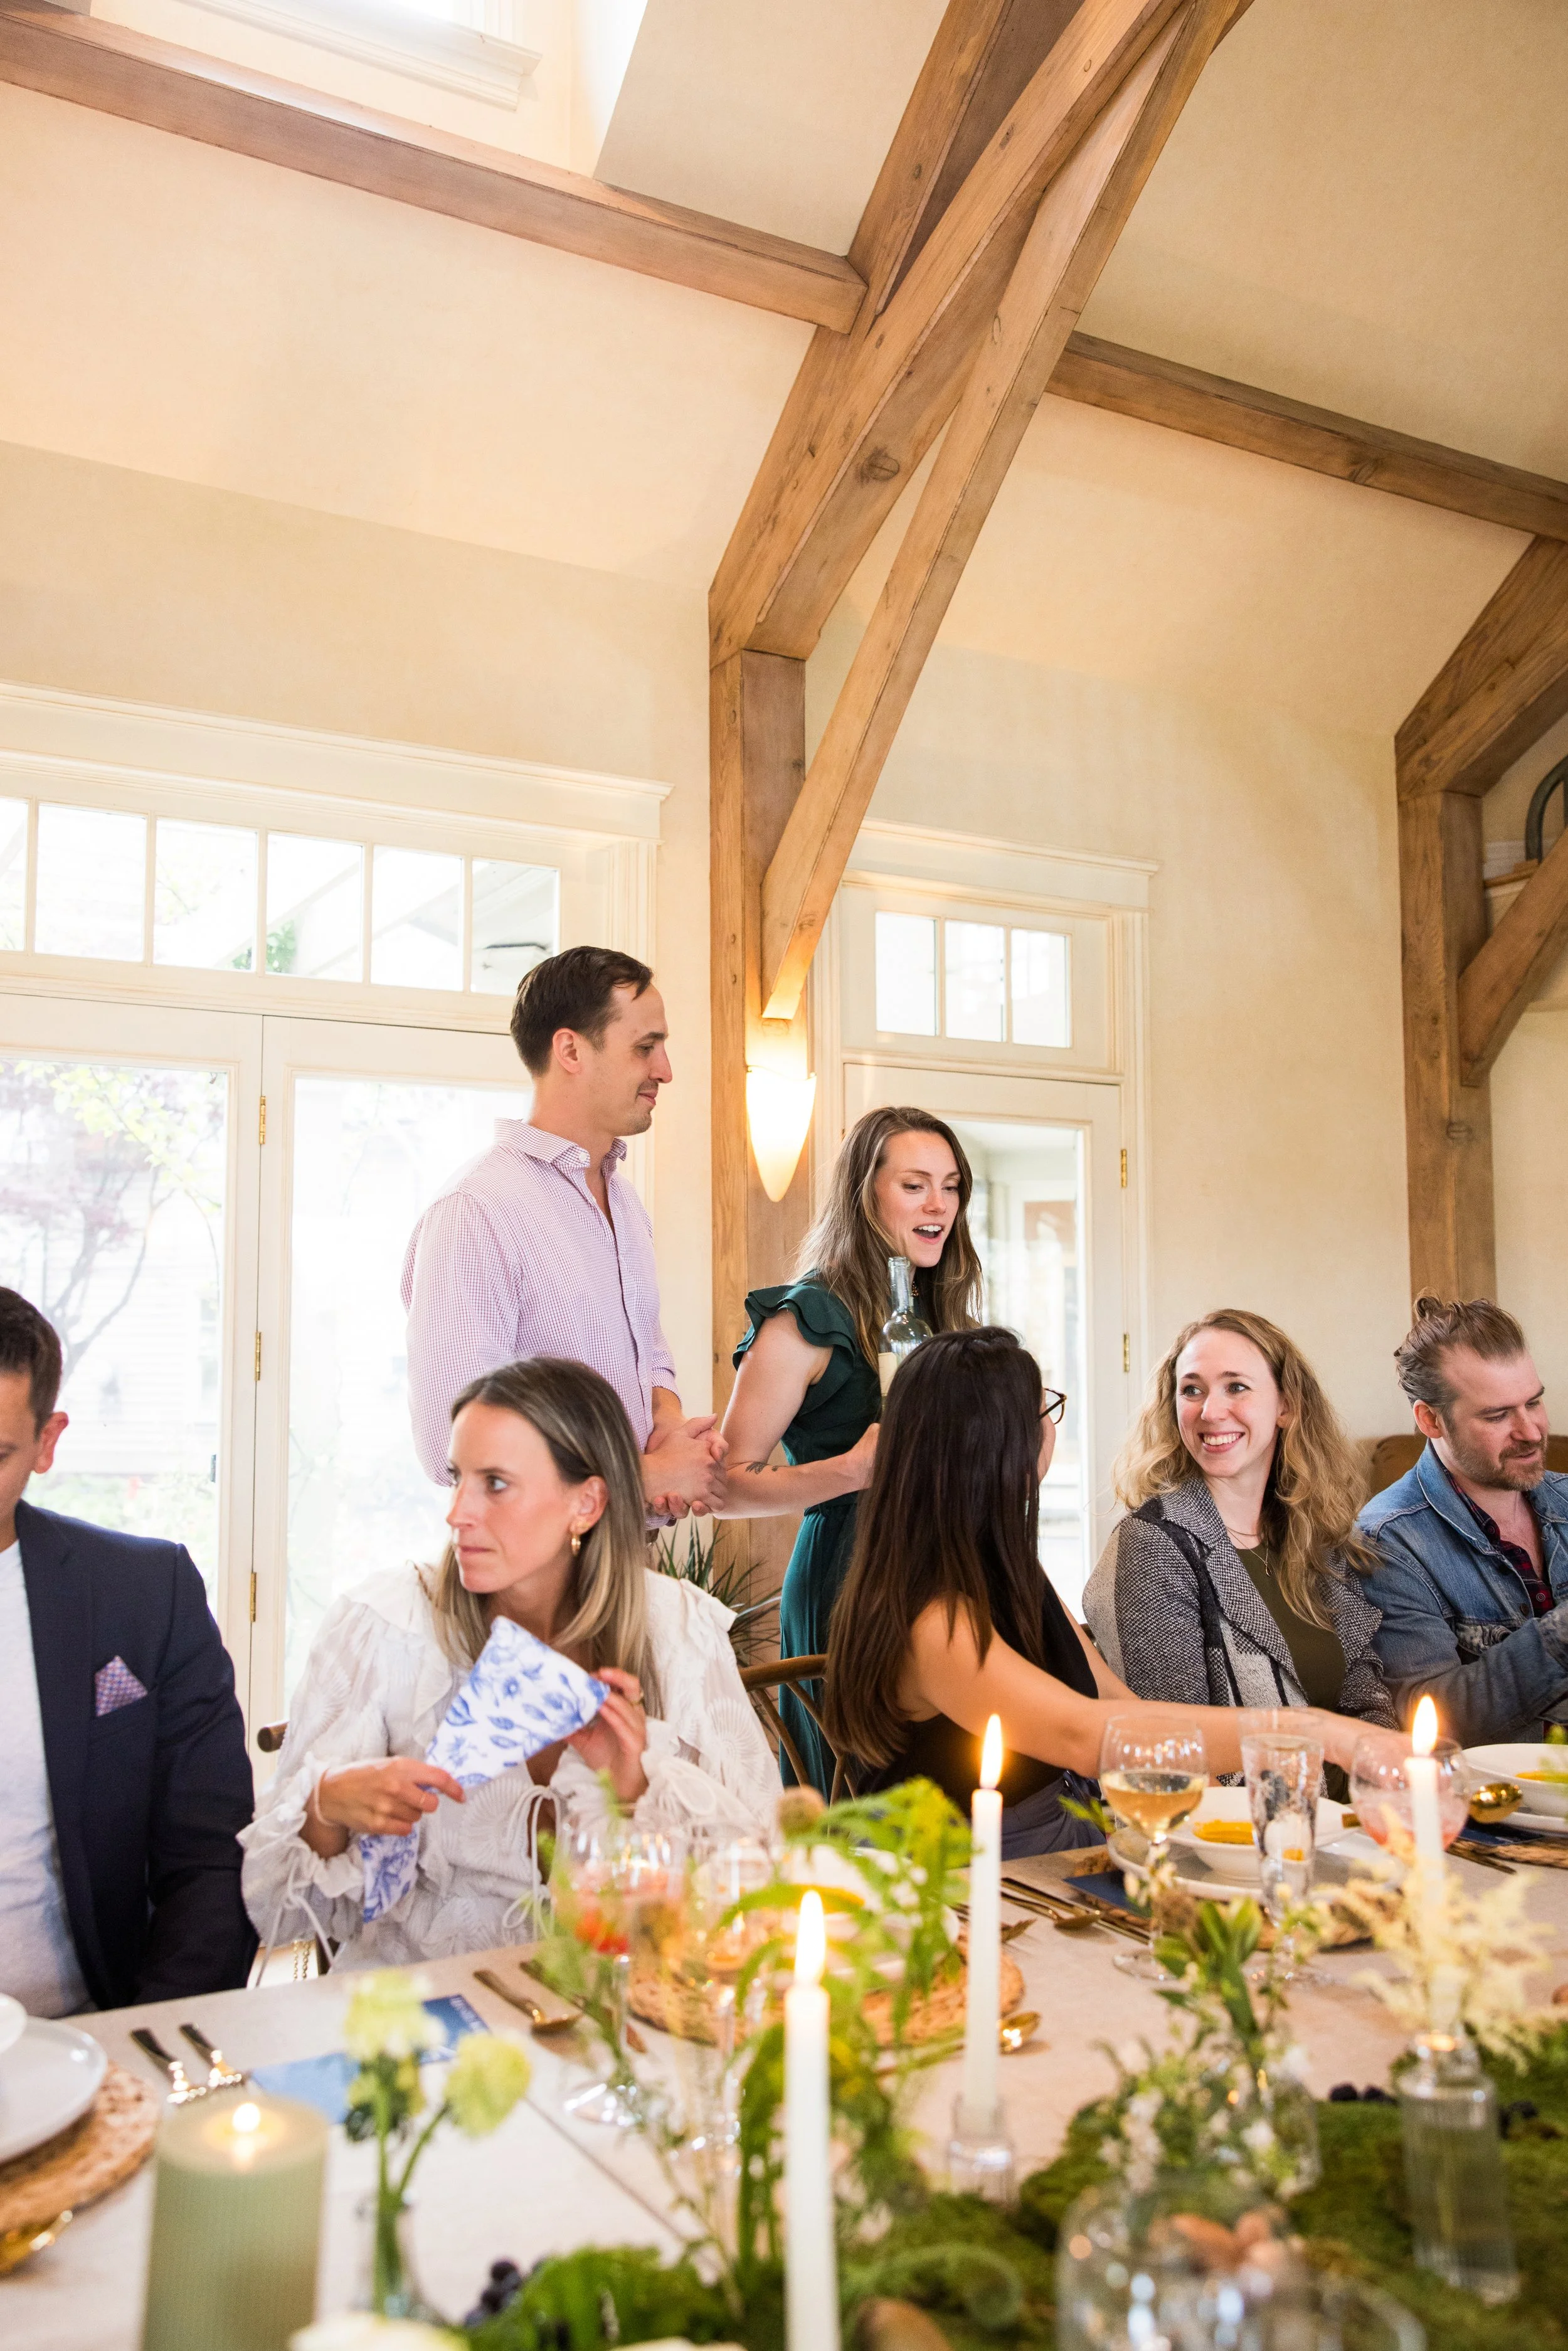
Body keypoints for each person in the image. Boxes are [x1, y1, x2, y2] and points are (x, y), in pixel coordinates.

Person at [241, 1357, 776, 1967]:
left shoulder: (678, 1629)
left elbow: (761, 1885)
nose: (457, 1513)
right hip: (425, 2026)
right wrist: (325, 1806)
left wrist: (638, 1793)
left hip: (621, 2020)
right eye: (457, 1477)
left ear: (587, 1502)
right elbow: (277, 1913)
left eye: (495, 1483)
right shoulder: (385, 1626)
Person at [824, 1327, 1399, 1855]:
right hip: (962, 1879)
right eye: (1041, 1410)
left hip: (1060, 1842)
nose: (1051, 1427)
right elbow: (1086, 1736)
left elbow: (1121, 1708)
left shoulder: (1001, 1567)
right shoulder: (936, 1618)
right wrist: (1313, 1733)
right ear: (997, 1448)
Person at [0, 1288, 255, 2015]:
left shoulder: (145, 1594)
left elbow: (209, 1859)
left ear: (48, 1442)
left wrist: (149, 2045)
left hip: (92, 2039)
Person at [403, 945, 724, 1519]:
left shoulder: (623, 1200)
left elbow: (646, 1350)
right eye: (645, 1048)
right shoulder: (476, 1210)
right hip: (535, 1575)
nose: (665, 1070)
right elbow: (450, 1444)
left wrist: (669, 1425)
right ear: (571, 1049)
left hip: (621, 1558)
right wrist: (641, 1473)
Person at [718, 1107, 983, 1794]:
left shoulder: (944, 1312)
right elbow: (725, 1487)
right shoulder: (805, 1318)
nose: (938, 1206)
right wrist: (852, 1469)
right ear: (865, 1193)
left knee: (955, 1803)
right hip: (852, 1578)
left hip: (948, 1569)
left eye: (951, 1187)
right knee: (867, 1806)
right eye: (916, 1185)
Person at [1084, 1312, 1396, 1753]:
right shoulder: (1152, 1545)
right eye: (1192, 1390)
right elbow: (1171, 1750)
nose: (1210, 1412)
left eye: (1237, 1387)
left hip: (1355, 1812)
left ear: (1286, 1406)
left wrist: (1382, 1783)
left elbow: (1366, 1695)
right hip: (1240, 1818)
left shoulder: (1315, 1533)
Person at [1359, 1295, 1568, 1743]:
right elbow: (1429, 1718)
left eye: (1534, 1403)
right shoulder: (1387, 1540)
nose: (1531, 1432)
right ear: (1431, 1420)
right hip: (1496, 1804)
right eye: (1497, 1416)